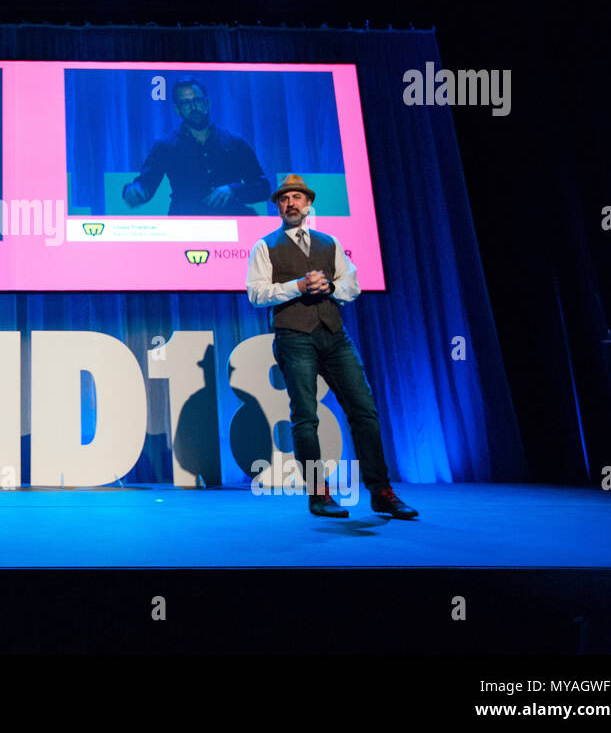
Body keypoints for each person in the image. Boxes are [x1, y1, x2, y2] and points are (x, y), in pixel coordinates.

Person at [245, 174, 418, 520]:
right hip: (294, 337)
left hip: (334, 336)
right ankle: (318, 493)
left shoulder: (330, 243)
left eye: (297, 197)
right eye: (284, 199)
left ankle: (381, 490)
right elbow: (256, 293)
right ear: (278, 207)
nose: (290, 203)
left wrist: (329, 288)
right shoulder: (265, 246)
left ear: (308, 205)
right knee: (305, 417)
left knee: (363, 409)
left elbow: (351, 286)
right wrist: (297, 285)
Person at [122, 78, 270, 215]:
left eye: (197, 100)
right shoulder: (165, 146)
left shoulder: (235, 142)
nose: (193, 107)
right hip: (185, 227)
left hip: (233, 225)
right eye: (186, 103)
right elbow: (146, 184)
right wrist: (135, 191)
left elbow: (263, 188)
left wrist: (233, 190)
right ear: (177, 109)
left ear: (207, 103)